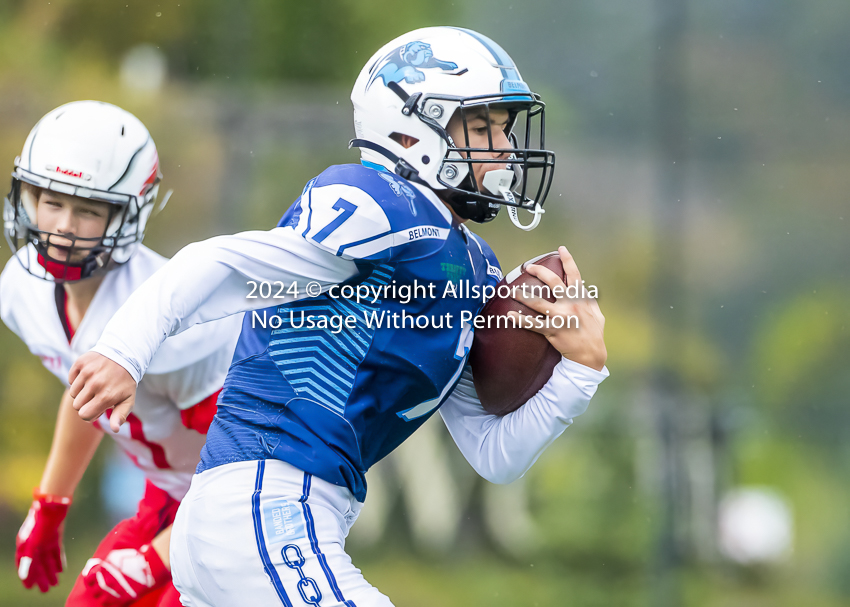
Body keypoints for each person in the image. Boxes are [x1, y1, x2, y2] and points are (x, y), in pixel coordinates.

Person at [68, 27, 608, 606]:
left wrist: (581, 369)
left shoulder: (473, 266)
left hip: (277, 519)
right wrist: (123, 351)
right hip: (264, 503)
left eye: (503, 128)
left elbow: (492, 452)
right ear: (410, 129)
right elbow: (218, 262)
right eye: (482, 127)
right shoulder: (377, 201)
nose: (502, 148)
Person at [0, 100, 242, 606]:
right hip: (171, 500)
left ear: (129, 213)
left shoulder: (176, 321)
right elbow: (84, 390)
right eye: (50, 201)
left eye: (88, 209)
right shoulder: (22, 287)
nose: (64, 226)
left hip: (240, 515)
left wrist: (156, 557)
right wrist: (51, 503)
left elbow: (257, 467)